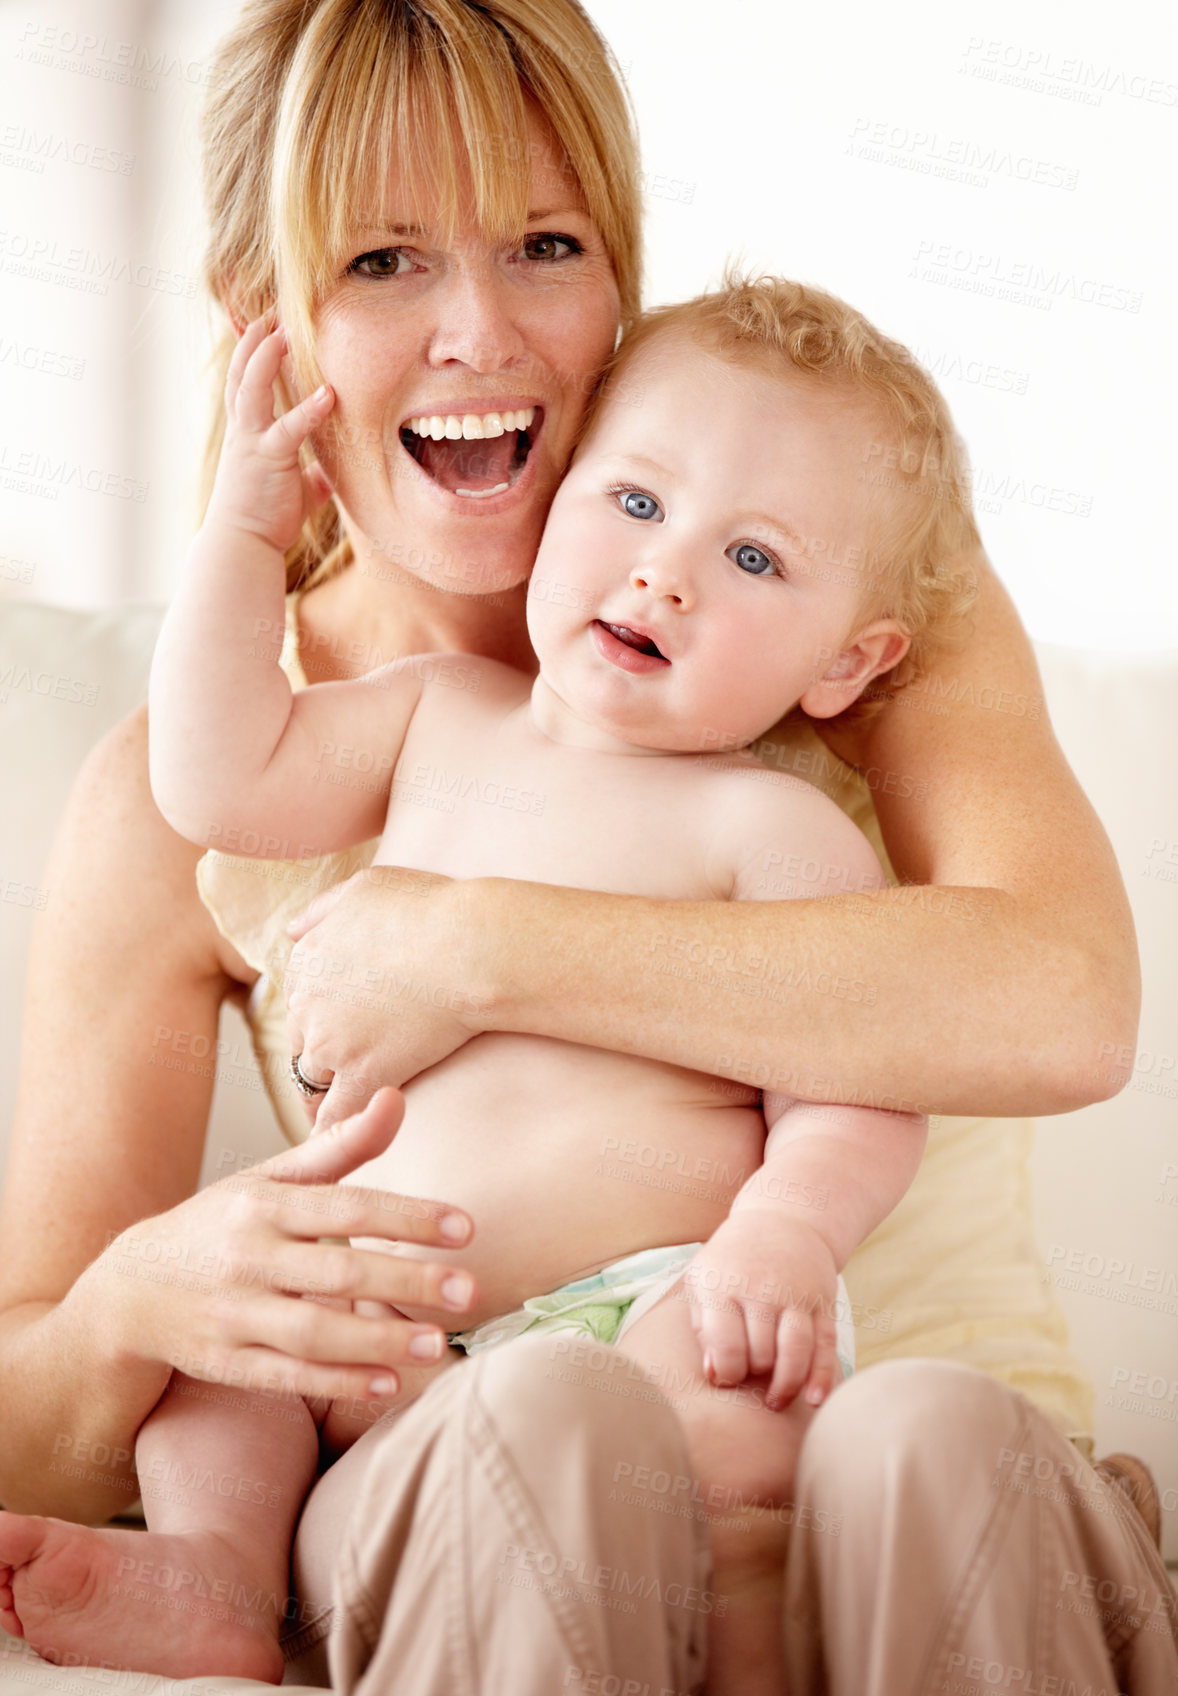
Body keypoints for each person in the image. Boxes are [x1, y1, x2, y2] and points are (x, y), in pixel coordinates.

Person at [0, 2, 1165, 1693]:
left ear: (615, 272)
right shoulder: (258, 754)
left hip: (888, 1456)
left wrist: (472, 940)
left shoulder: (830, 583)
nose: (477, 330)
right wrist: (143, 1300)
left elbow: (1061, 1007)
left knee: (926, 1446)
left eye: (543, 244)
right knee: (533, 1429)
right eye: (384, 260)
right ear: (272, 320)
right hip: (470, 1440)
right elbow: (29, 1425)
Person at [0, 273, 959, 1687]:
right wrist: (243, 538)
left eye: (751, 561)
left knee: (740, 1417)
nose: (664, 575)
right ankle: (219, 1573)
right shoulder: (435, 720)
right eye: (633, 505)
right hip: (382, 1315)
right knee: (225, 1361)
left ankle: (738, 1596)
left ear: (846, 663)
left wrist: (789, 1238)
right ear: (563, 493)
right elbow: (213, 776)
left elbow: (860, 1084)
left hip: (645, 1308)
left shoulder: (778, 826)